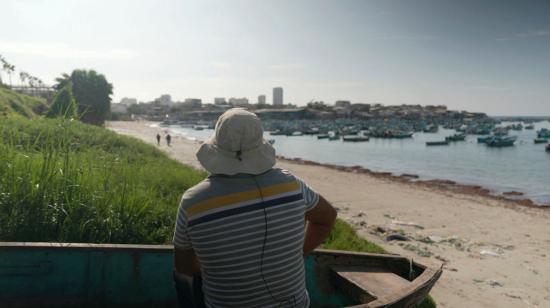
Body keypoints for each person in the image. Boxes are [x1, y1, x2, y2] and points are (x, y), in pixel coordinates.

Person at [173, 108, 337, 308]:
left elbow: (183, 267)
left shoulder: (193, 202)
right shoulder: (292, 185)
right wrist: (297, 254)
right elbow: (327, 217)